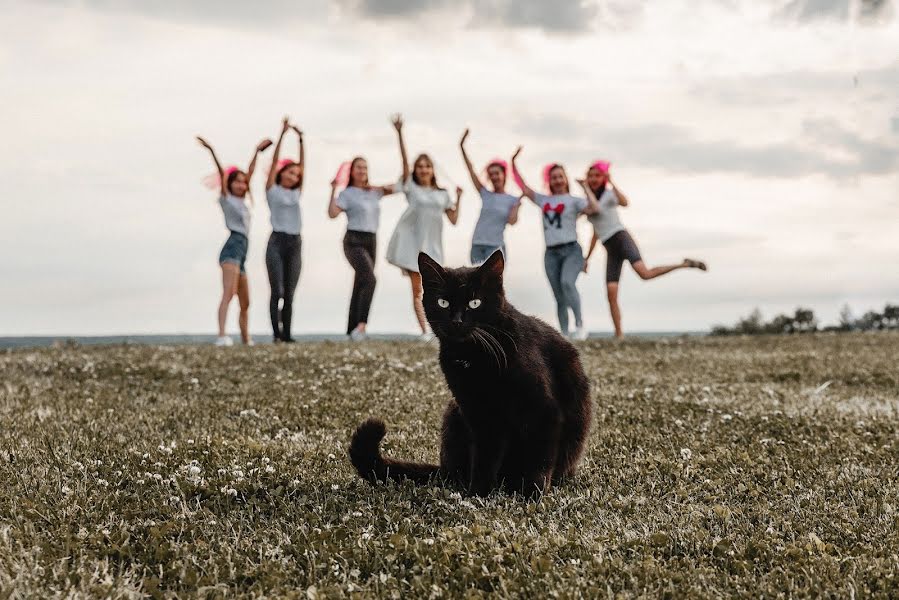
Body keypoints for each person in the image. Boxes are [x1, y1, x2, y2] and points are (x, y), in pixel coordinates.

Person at [583, 160, 707, 339]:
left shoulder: (609, 195)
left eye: (597, 175)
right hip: (609, 247)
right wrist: (587, 257)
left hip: (621, 238)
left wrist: (612, 182)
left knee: (645, 273)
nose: (593, 179)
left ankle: (683, 264)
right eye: (590, 175)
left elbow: (625, 202)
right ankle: (619, 335)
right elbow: (595, 233)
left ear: (603, 178)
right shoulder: (588, 203)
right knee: (611, 293)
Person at [385, 114, 462, 340]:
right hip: (412, 243)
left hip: (434, 246)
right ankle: (425, 330)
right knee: (418, 289)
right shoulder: (411, 188)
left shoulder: (442, 194)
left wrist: (460, 198)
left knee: (438, 290)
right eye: (419, 166)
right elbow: (404, 161)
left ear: (432, 169)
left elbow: (454, 219)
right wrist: (400, 133)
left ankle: (439, 326)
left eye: (427, 166)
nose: (423, 169)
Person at [511, 147, 599, 341]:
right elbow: (524, 188)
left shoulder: (574, 201)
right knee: (559, 295)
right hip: (551, 254)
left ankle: (580, 326)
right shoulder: (544, 200)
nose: (557, 180)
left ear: (565, 179)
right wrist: (513, 163)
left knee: (568, 283)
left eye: (560, 176)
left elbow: (594, 208)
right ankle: (565, 333)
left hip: (571, 250)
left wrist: (585, 187)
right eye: (554, 177)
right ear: (549, 181)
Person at [196, 135, 272, 346]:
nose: (241, 184)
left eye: (243, 182)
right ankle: (222, 335)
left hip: (243, 250)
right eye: (237, 181)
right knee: (228, 293)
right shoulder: (227, 199)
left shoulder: (243, 201)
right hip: (232, 248)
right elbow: (222, 173)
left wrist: (257, 151)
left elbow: (251, 171)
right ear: (230, 183)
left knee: (245, 300)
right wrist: (211, 150)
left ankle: (246, 338)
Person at [328, 157, 397, 341]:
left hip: (371, 240)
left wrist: (377, 187)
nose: (362, 170)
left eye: (365, 167)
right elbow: (332, 214)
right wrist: (333, 189)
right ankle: (361, 326)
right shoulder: (347, 193)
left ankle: (351, 330)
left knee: (360, 284)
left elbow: (399, 186)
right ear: (351, 171)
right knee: (370, 280)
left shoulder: (374, 192)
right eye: (358, 167)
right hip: (353, 240)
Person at [265, 117, 305, 343]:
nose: (293, 176)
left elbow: (303, 165)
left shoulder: (296, 193)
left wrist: (300, 139)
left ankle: (287, 335)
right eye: (290, 172)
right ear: (281, 174)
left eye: (296, 175)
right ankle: (276, 334)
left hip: (295, 242)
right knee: (277, 290)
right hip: (276, 242)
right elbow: (273, 162)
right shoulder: (272, 189)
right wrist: (282, 134)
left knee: (289, 293)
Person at [459, 129, 520, 265]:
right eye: (491, 174)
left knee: (493, 285)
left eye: (497, 173)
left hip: (495, 247)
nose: (494, 177)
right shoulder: (485, 193)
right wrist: (462, 147)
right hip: (477, 245)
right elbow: (471, 170)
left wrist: (516, 208)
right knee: (477, 285)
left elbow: (512, 221)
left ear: (504, 174)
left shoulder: (513, 200)